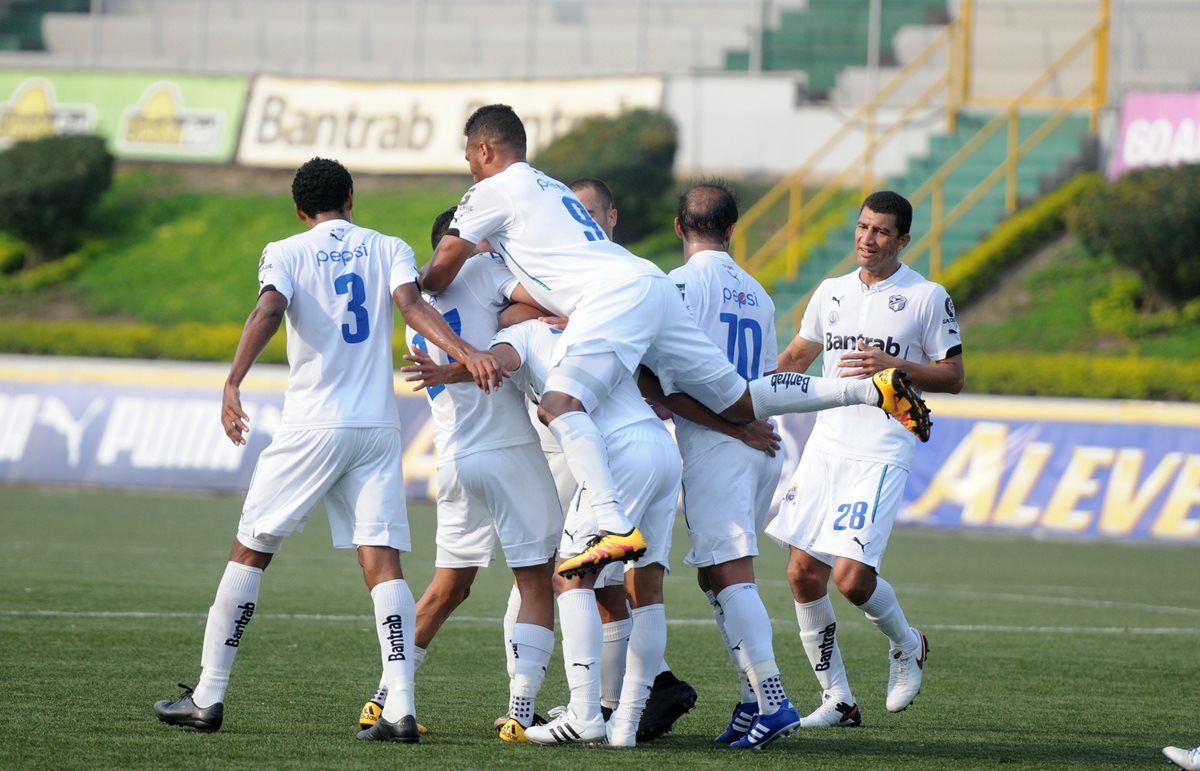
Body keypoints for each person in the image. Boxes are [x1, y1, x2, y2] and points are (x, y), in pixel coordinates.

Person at [421, 104, 932, 583]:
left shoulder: (490, 191)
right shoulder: (549, 186)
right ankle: (871, 391)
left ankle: (612, 524)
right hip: (649, 284)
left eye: (470, 159)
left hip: (612, 300)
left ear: (485, 150)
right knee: (739, 398)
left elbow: (442, 274)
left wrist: (407, 281)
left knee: (559, 403)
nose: (471, 171)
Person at [151, 157, 499, 744]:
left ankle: (208, 696)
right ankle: (400, 707)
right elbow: (414, 306)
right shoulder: (387, 245)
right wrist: (465, 351)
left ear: (298, 208)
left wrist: (233, 380)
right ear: (351, 197)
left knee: (251, 549)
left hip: (311, 425)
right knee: (383, 563)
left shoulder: (284, 251)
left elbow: (268, 308)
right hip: (375, 428)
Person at [403, 318, 681, 748]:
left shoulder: (523, 331)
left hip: (619, 455)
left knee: (568, 575)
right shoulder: (589, 325)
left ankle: (585, 713)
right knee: (645, 588)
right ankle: (621, 723)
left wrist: (450, 370)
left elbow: (497, 362)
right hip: (661, 449)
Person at [357, 208, 563, 744]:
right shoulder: (484, 270)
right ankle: (521, 711)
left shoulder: (416, 309)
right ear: (465, 246)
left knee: (448, 587)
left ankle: (383, 701)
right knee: (538, 579)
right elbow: (550, 298)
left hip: (455, 459)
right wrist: (535, 316)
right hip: (510, 448)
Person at [765, 190, 965, 730]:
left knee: (851, 579)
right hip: (826, 445)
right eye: (861, 227)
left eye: (880, 231)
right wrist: (747, 400)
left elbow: (953, 376)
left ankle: (908, 644)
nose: (866, 239)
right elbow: (794, 358)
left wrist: (892, 364)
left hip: (881, 449)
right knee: (803, 573)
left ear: (902, 240)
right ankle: (838, 699)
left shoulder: (926, 296)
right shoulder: (830, 293)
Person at [651, 180, 798, 748]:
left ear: (678, 226)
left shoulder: (677, 285)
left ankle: (774, 701)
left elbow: (663, 384)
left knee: (730, 574)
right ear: (733, 229)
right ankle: (748, 698)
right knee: (718, 574)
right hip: (762, 447)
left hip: (721, 447)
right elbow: (759, 384)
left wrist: (729, 427)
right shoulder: (758, 293)